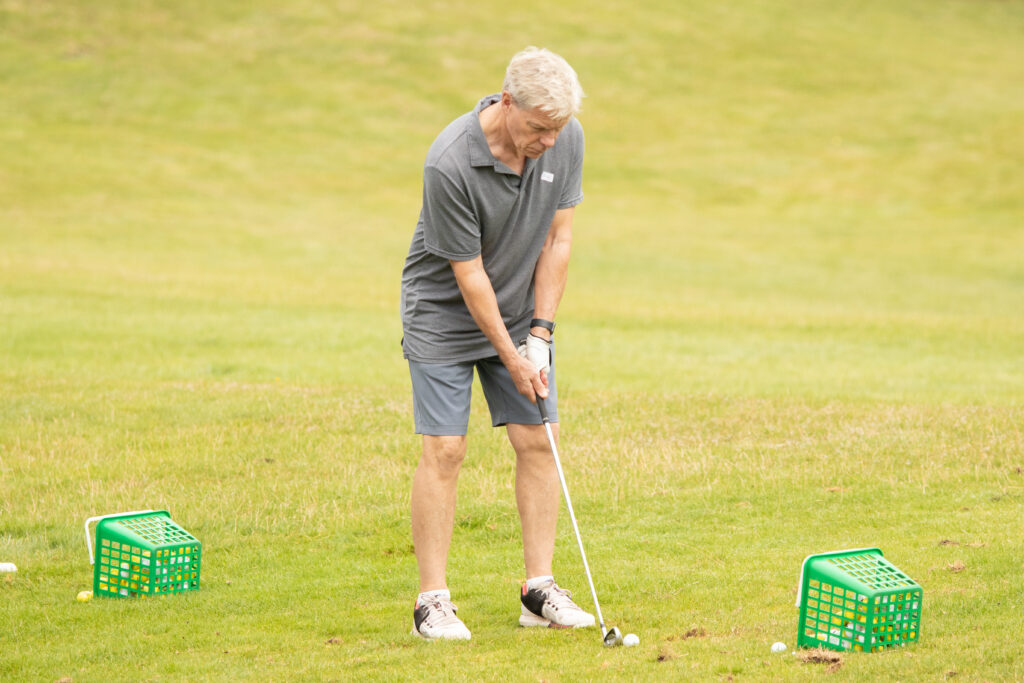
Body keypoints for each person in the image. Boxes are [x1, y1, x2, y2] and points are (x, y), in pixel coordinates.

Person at [400, 47, 592, 640]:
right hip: (443, 315)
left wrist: (539, 335)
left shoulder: (565, 137)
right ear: (506, 104)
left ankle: (538, 591)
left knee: (539, 439)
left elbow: (557, 241)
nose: (550, 142)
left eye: (558, 129)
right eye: (539, 128)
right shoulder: (450, 162)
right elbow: (468, 272)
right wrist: (510, 358)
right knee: (447, 450)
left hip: (517, 315)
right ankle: (431, 602)